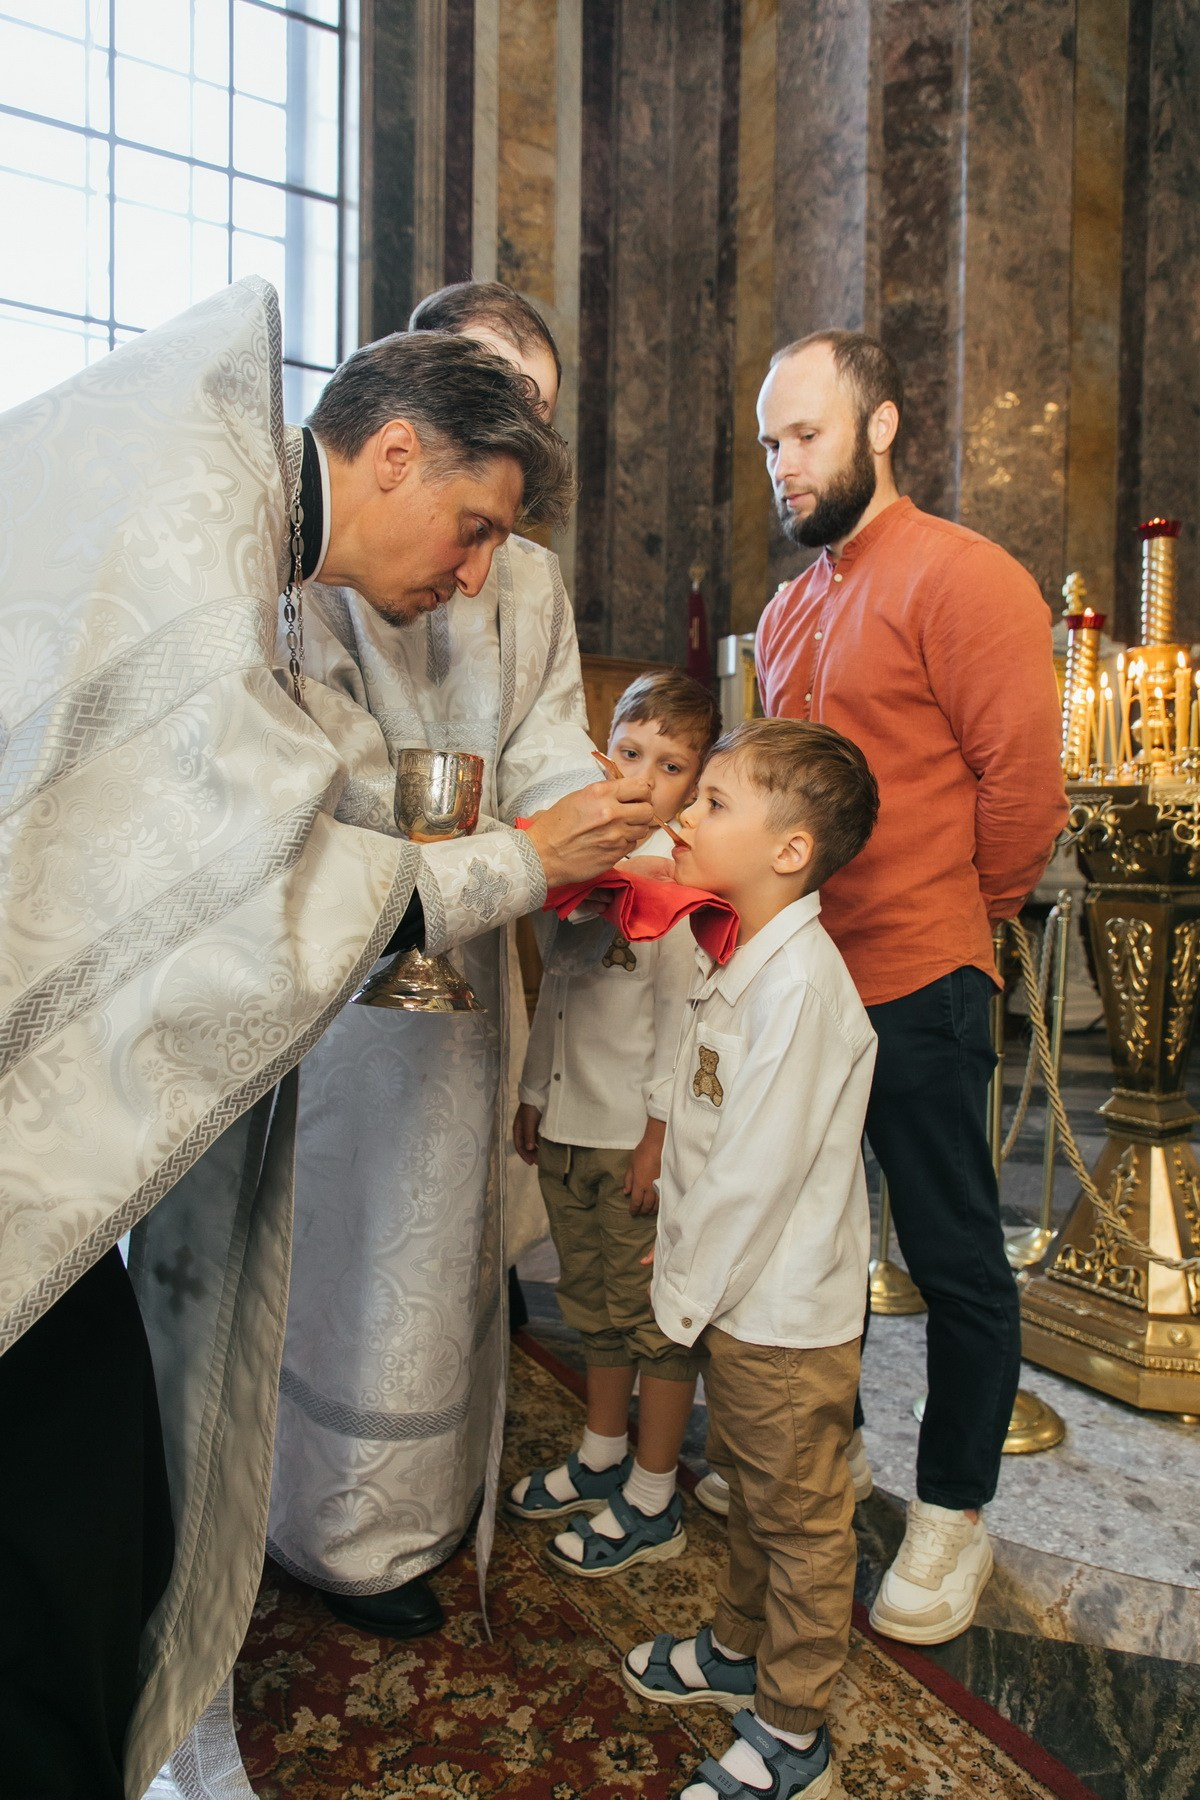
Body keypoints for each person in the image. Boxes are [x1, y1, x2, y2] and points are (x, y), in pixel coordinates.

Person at [0, 277, 653, 1800]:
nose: (478, 571)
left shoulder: (232, 500)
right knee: (77, 1531)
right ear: (398, 453)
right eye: (474, 528)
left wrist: (558, 834)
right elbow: (269, 877)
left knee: (90, 1516)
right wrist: (520, 863)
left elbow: (314, 782)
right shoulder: (214, 534)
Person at [265, 282, 610, 1645]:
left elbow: (554, 744)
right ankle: (288, 1515)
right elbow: (325, 773)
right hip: (338, 981)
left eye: (536, 413)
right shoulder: (309, 552)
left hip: (472, 995)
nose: (478, 557)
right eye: (492, 400)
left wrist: (608, 820)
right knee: (328, 1258)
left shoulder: (522, 573)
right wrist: (521, 852)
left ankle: (399, 1529)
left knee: (441, 1265)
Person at [753, 329, 1068, 1646]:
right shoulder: (786, 609)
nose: (784, 465)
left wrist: (960, 918)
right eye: (770, 444)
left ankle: (955, 1512)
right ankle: (826, 1464)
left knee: (950, 1252)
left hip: (921, 980)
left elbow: (1025, 796)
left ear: (880, 427)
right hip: (801, 986)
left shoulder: (965, 578)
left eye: (806, 434)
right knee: (808, 1251)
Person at [622, 718, 878, 1800]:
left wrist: (680, 1288)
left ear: (789, 852)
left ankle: (794, 1732)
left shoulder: (802, 989)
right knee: (750, 1496)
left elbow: (756, 1177)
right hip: (740, 1300)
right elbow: (707, 1134)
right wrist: (683, 1261)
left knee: (802, 1522)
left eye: (714, 802)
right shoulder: (745, 955)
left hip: (779, 1313)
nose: (685, 814)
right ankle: (736, 1649)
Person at [507, 670, 721, 1574]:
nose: (644, 776)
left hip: (632, 1135)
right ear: (604, 752)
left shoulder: (681, 878)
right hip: (567, 1122)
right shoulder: (585, 849)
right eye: (630, 753)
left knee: (650, 1319)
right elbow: (558, 987)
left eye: (670, 765)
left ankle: (653, 1491)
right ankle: (601, 1451)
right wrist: (532, 1091)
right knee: (589, 1302)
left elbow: (685, 1020)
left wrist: (660, 1140)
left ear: (696, 781)